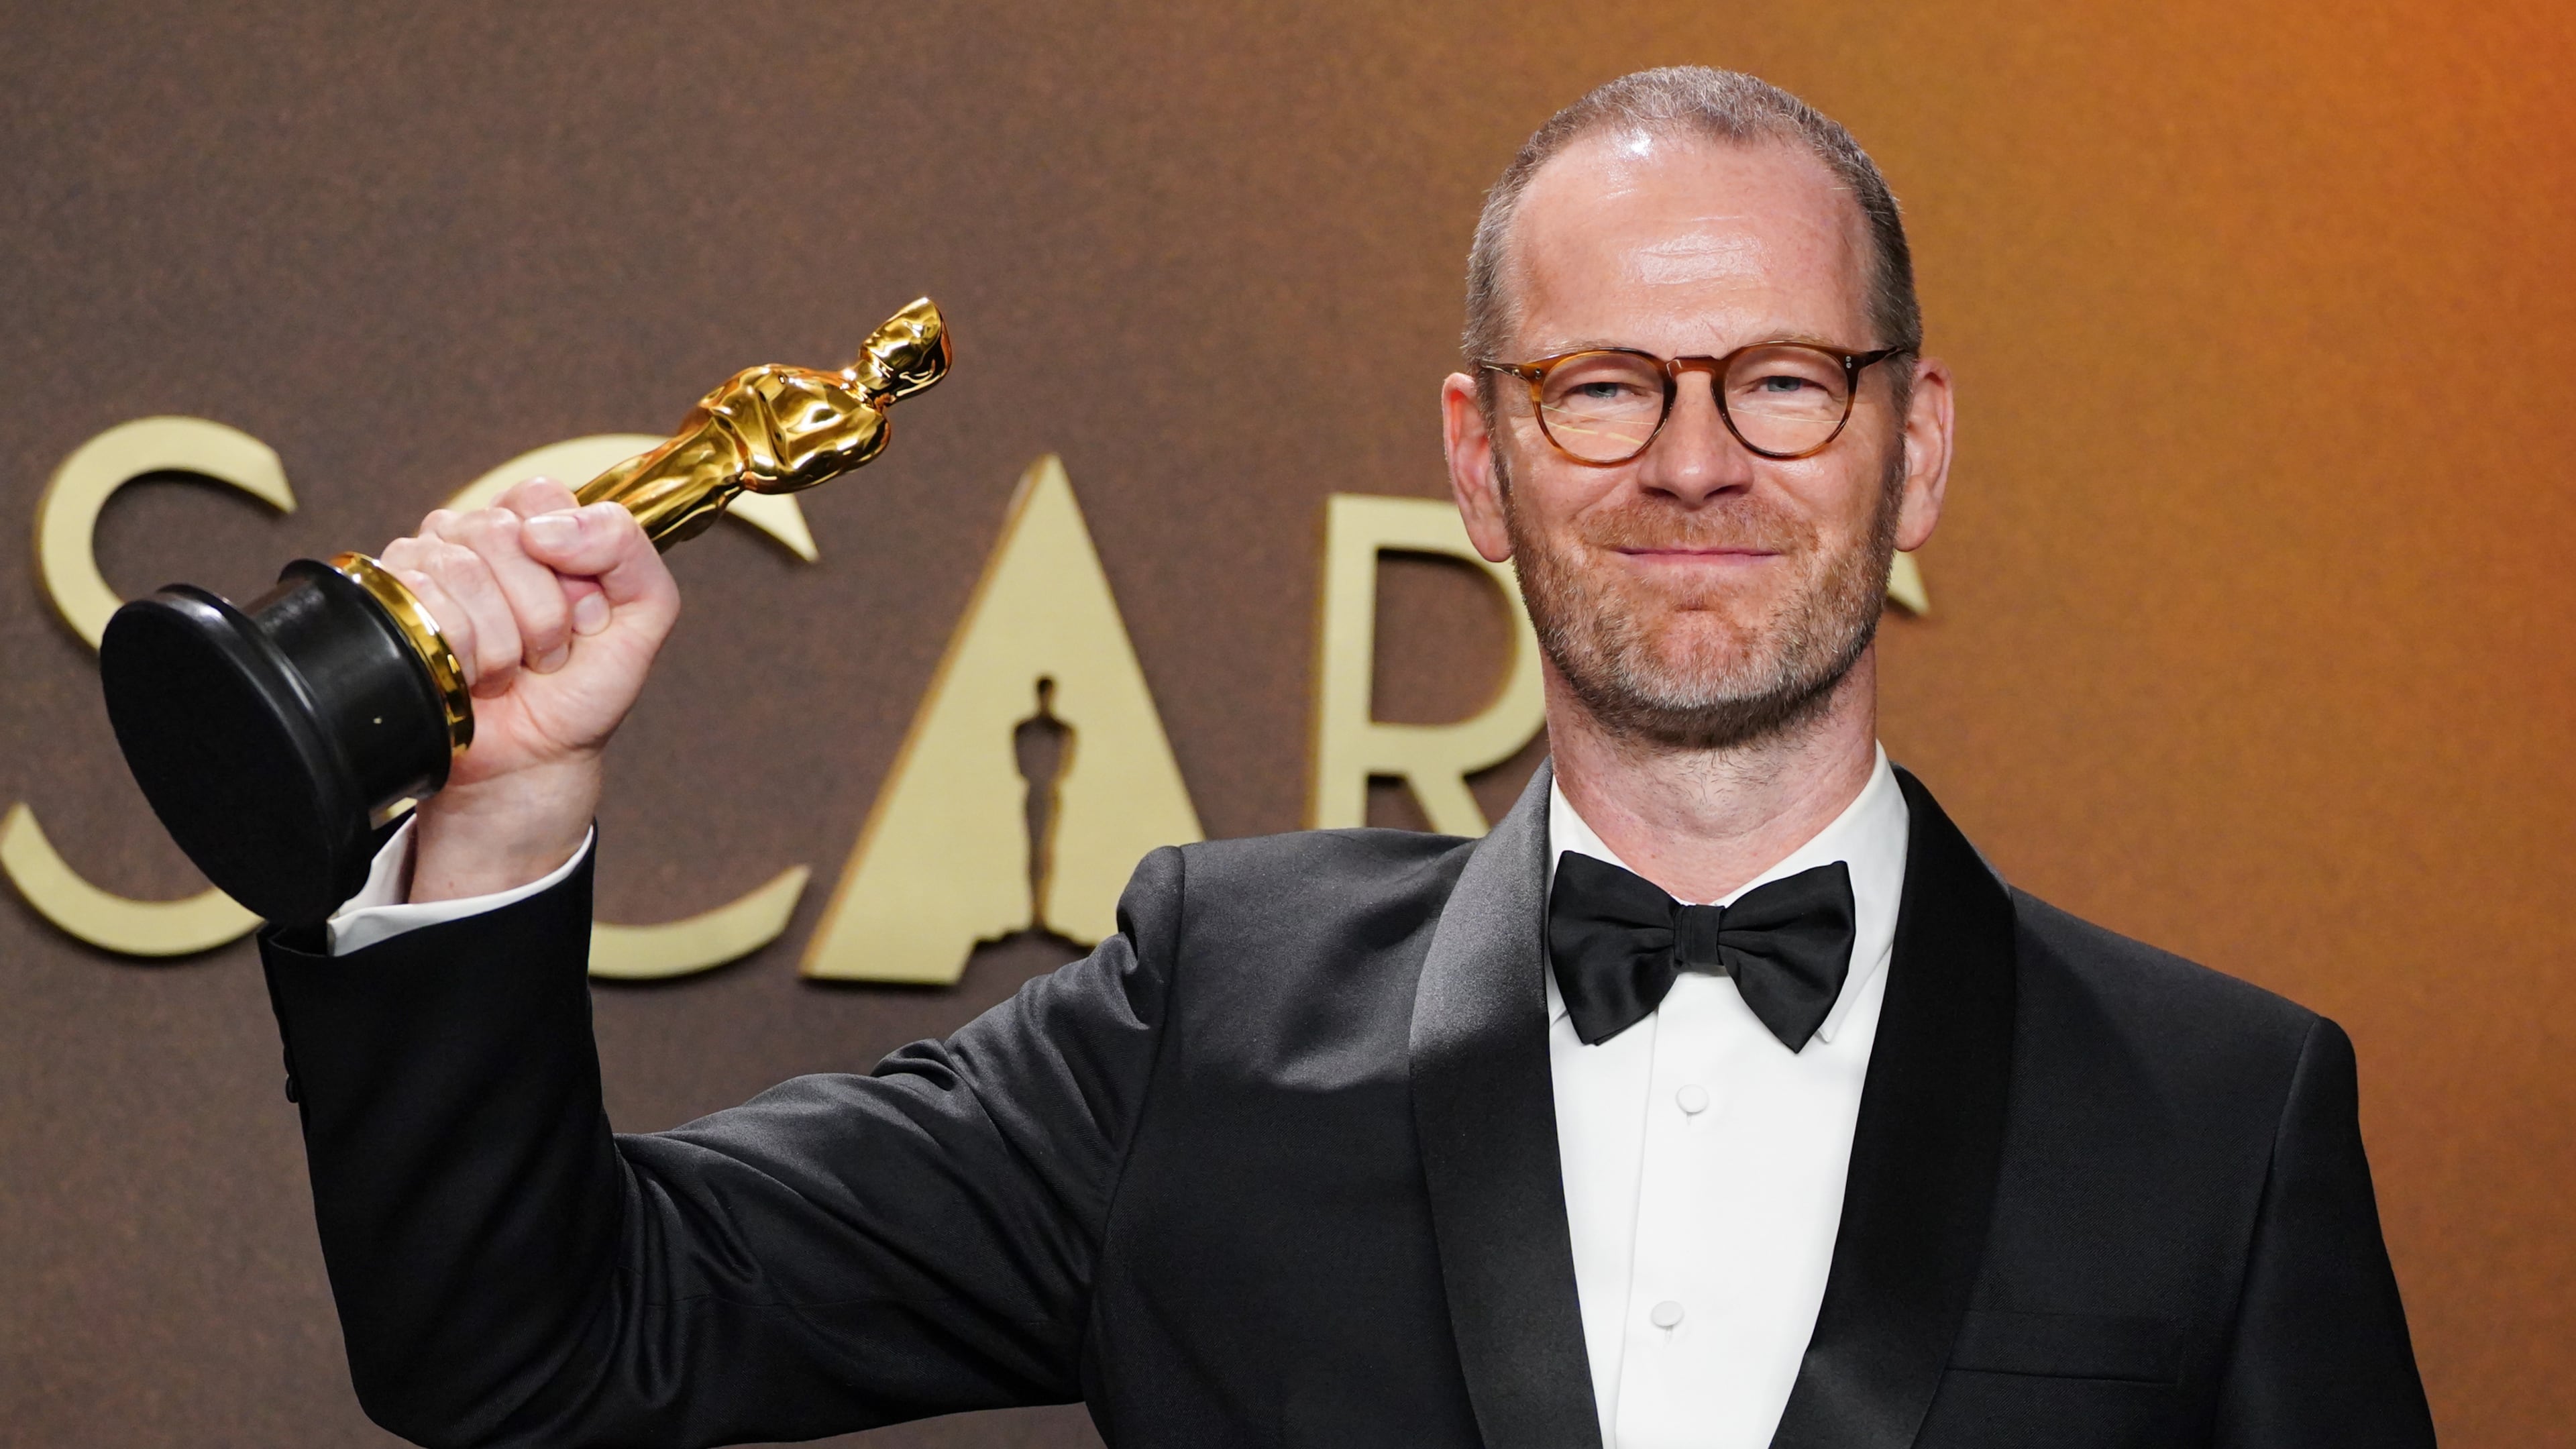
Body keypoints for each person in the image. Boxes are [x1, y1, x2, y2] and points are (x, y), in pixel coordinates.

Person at [258, 67, 2434, 1449]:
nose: (1694, 462)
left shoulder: (2223, 1112)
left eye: (1782, 379)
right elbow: (539, 1351)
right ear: (1477, 463)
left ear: (1913, 446)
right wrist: (511, 809)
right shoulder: (1205, 1017)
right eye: (1602, 385)